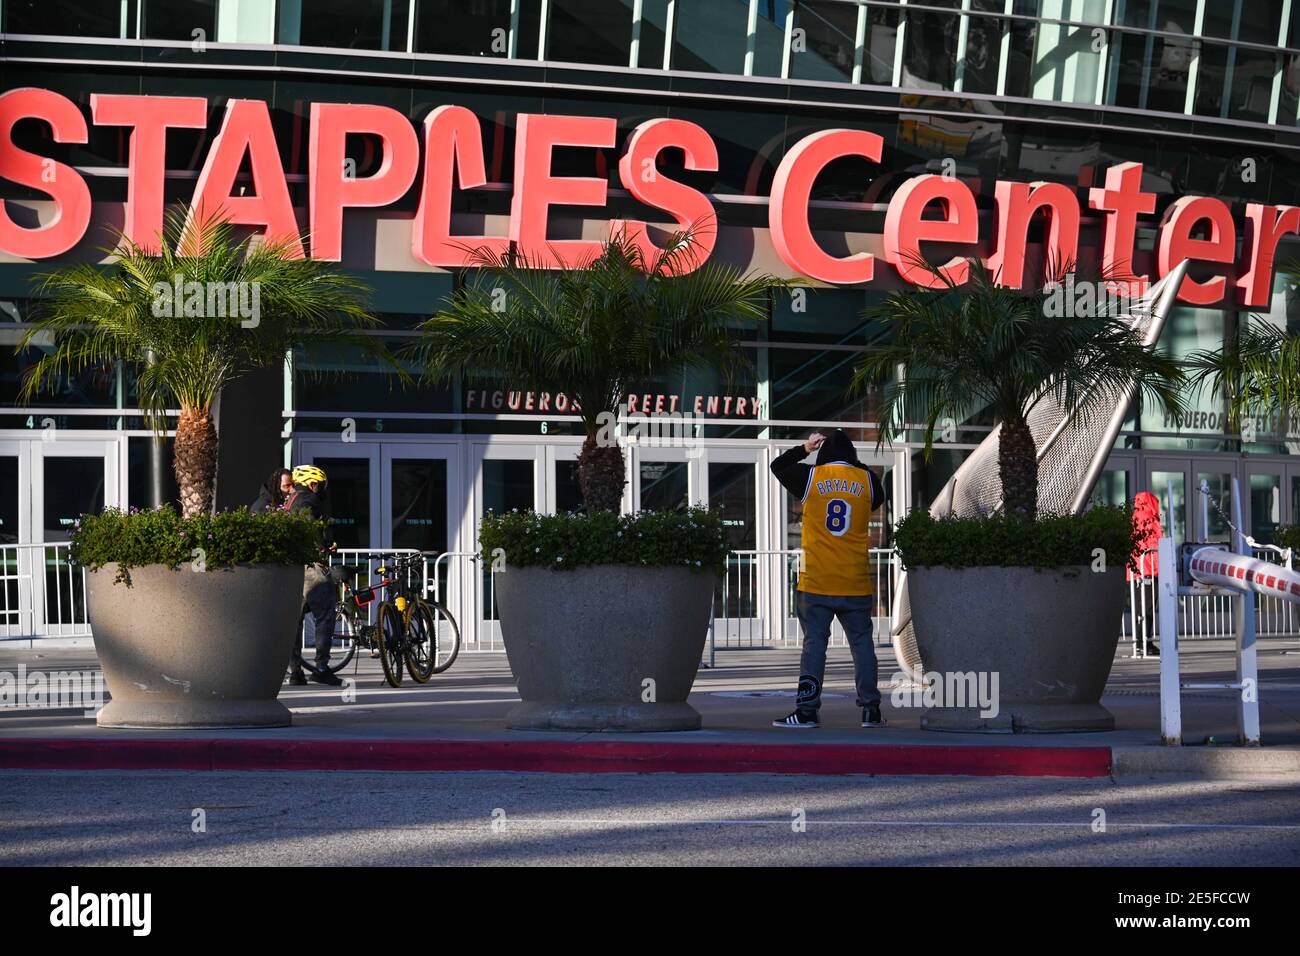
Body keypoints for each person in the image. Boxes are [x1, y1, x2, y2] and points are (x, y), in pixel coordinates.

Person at [770, 429, 888, 729]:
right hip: (855, 582)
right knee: (863, 647)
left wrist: (805, 449)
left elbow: (777, 466)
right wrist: (853, 465)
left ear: (822, 453)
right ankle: (871, 710)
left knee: (814, 647)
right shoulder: (868, 481)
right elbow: (875, 494)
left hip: (816, 582)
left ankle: (807, 711)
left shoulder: (810, 478)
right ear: (852, 457)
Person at [284, 464, 343, 687]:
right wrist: (324, 544)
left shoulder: (291, 500)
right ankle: (321, 667)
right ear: (313, 483)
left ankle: (295, 671)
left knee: (294, 622)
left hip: (293, 567)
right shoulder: (309, 500)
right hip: (311, 567)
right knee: (325, 614)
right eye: (320, 486)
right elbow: (310, 527)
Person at [1131, 491, 1162, 657]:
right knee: (1148, 607)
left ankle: (1140, 642)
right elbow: (1155, 545)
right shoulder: (1149, 518)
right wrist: (1161, 568)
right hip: (1148, 569)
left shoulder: (1135, 517)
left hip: (1135, 571)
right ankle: (1145, 643)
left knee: (1139, 608)